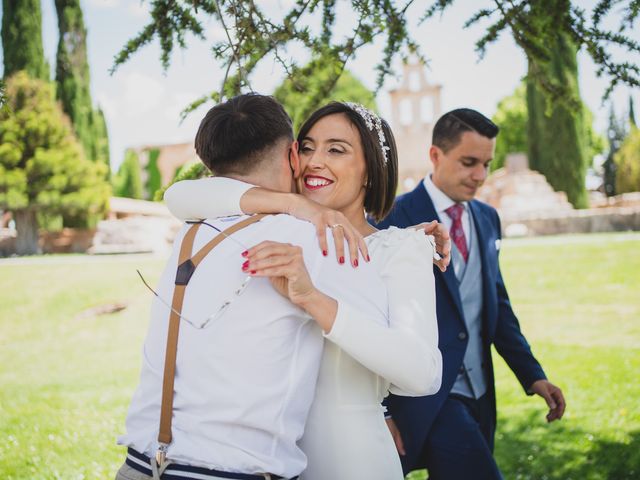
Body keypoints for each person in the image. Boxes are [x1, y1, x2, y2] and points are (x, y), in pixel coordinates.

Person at [115, 94, 396, 480]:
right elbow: (390, 342)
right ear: (293, 155)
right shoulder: (314, 238)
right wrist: (404, 244)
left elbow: (179, 195)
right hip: (232, 471)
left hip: (140, 463)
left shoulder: (192, 229)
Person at [163, 101, 445, 479]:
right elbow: (180, 197)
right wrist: (293, 204)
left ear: (370, 170)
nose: (314, 161)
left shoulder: (400, 249)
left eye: (336, 149)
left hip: (349, 461)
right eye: (307, 147)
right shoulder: (280, 232)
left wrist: (313, 298)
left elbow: (421, 373)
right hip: (270, 463)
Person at [374, 108, 567, 480]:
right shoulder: (393, 216)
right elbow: (372, 316)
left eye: (486, 164)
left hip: (480, 391)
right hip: (427, 396)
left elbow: (497, 306)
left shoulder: (486, 217)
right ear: (435, 156)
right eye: (468, 162)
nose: (480, 175)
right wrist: (382, 411)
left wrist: (533, 375)